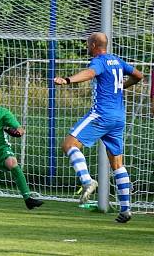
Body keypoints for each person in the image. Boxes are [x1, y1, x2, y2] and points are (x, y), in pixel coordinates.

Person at [54, 32, 144, 223]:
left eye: (88, 43)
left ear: (94, 44)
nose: (87, 46)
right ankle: (126, 209)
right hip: (119, 118)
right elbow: (138, 75)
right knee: (117, 164)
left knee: (69, 145)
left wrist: (67, 80)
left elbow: (90, 73)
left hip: (101, 115)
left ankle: (87, 181)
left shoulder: (100, 61)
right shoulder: (117, 61)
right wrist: (121, 87)